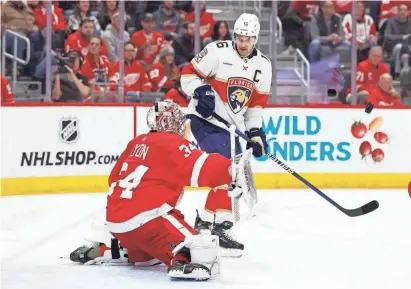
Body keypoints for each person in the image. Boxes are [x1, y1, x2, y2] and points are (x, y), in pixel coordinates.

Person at [106, 101, 256, 280]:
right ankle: (183, 260)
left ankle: (116, 249)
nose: (181, 124)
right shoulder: (170, 142)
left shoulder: (135, 142)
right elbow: (201, 167)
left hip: (116, 223)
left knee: (152, 247)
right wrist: (231, 171)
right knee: (202, 250)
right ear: (169, 122)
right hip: (147, 223)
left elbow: (113, 179)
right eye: (177, 120)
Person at [181, 13, 272, 256]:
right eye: (240, 38)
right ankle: (222, 227)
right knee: (226, 169)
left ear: (255, 39)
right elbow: (187, 74)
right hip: (203, 120)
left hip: (231, 127)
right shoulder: (217, 51)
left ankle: (205, 220)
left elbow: (255, 106)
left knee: (236, 175)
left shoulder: (263, 65)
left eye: (248, 39)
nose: (243, 43)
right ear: (234, 36)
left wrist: (255, 132)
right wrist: (202, 91)